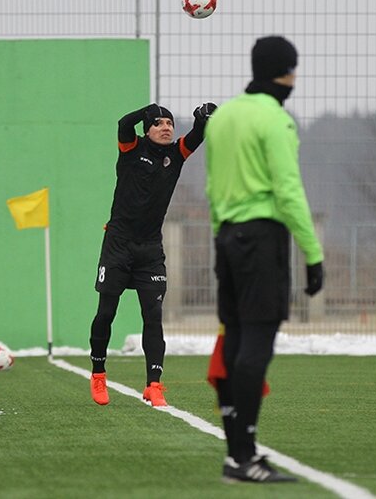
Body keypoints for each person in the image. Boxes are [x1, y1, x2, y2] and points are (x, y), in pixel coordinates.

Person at [204, 36, 324, 483]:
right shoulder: (276, 119)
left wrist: (220, 236)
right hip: (262, 238)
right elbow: (288, 191)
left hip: (227, 236)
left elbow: (213, 187)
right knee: (256, 344)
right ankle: (245, 456)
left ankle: (237, 454)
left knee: (234, 342)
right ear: (286, 72)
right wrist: (313, 253)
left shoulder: (223, 117)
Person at [88, 100, 217, 407]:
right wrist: (145, 110)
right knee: (106, 312)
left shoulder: (176, 155)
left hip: (150, 250)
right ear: (147, 129)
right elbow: (123, 124)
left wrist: (204, 118)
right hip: (118, 245)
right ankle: (98, 374)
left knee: (153, 316)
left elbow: (197, 135)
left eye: (170, 123)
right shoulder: (131, 149)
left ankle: (154, 385)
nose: (166, 127)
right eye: (159, 123)